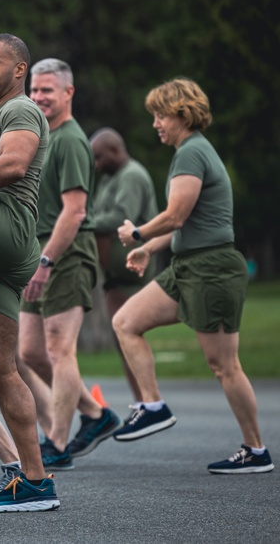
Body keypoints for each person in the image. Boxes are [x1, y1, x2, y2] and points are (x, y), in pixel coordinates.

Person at [111, 78, 273, 474]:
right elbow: (185, 225)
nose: (155, 124)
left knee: (223, 365)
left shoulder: (192, 152)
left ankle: (256, 450)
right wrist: (147, 248)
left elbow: (176, 216)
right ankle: (152, 405)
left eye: (160, 115)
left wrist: (138, 232)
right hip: (187, 268)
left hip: (212, 269)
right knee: (126, 322)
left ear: (181, 114)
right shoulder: (190, 152)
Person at [18, 58, 119, 472]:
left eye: (47, 90)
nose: (39, 97)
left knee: (60, 349)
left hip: (66, 253)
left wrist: (45, 262)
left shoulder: (71, 140)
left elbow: (75, 212)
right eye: (34, 90)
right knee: (29, 351)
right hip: (38, 252)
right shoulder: (39, 136)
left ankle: (57, 442)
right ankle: (96, 415)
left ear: (68, 93)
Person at [90, 127, 159, 407]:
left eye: (99, 157)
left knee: (128, 335)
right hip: (114, 276)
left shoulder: (131, 175)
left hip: (131, 272)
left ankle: (147, 400)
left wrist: (79, 222)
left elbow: (122, 217)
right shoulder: (110, 178)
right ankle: (141, 400)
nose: (96, 164)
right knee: (123, 337)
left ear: (116, 151)